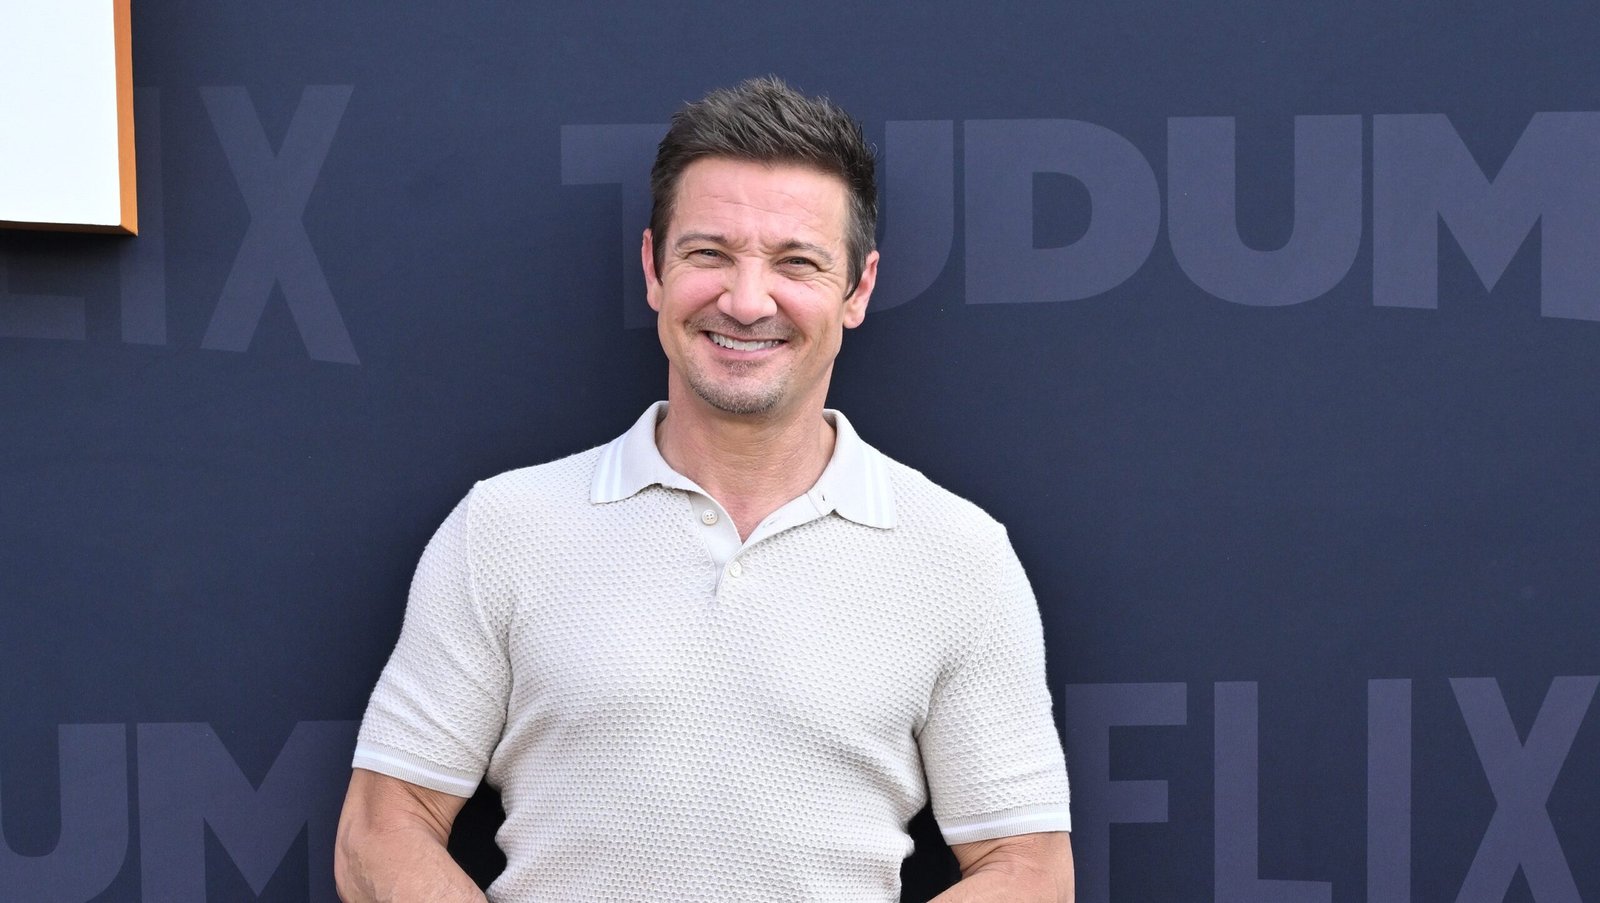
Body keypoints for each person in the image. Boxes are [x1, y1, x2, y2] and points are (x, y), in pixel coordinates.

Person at [334, 76, 1074, 903]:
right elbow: (382, 826)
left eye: (797, 262)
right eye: (709, 254)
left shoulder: (960, 557)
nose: (747, 301)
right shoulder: (504, 528)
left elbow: (1029, 869)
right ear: (654, 267)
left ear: (858, 289)